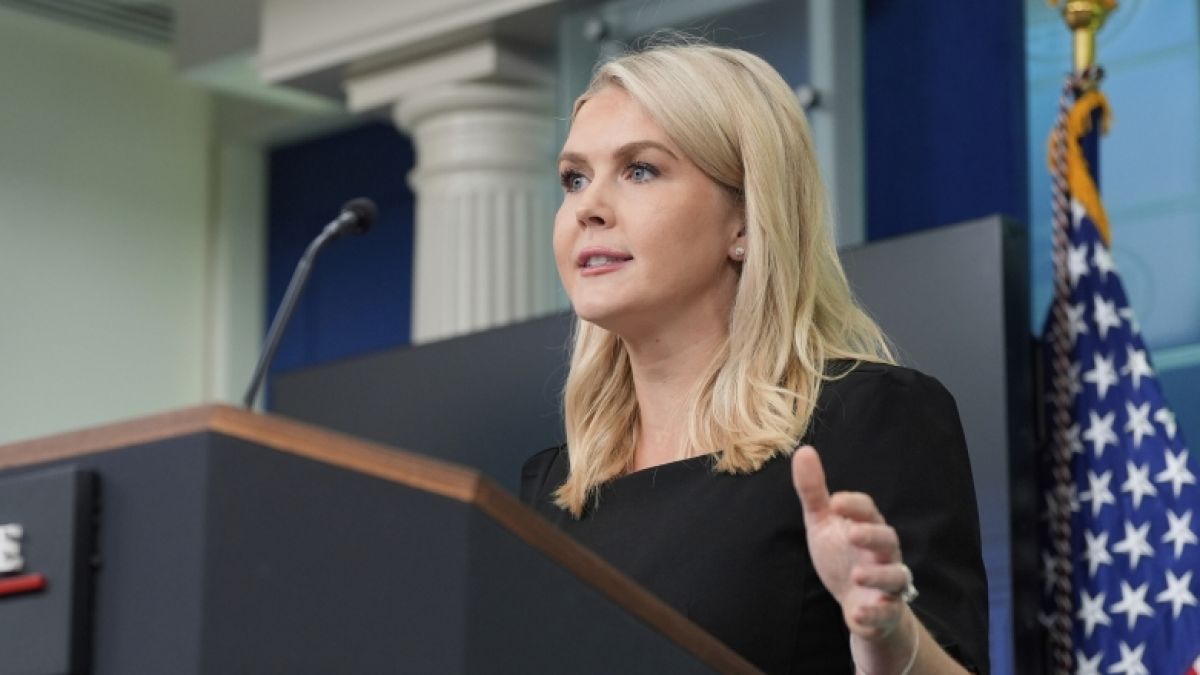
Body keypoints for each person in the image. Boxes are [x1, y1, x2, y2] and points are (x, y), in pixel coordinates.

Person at [520, 41, 989, 674]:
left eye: (640, 170)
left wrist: (888, 633)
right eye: (574, 178)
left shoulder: (869, 419)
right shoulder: (551, 488)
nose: (587, 208)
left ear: (744, 219)